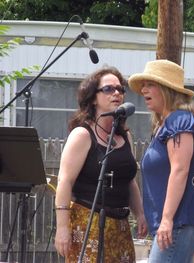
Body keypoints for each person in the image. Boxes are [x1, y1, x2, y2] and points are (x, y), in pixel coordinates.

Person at [54, 66, 147, 262]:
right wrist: (62, 228)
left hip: (120, 224)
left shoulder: (125, 136)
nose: (117, 93)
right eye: (108, 89)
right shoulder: (82, 135)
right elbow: (64, 182)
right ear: (93, 98)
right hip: (88, 222)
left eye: (120, 89)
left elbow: (130, 181)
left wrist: (140, 214)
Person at [128, 59, 194, 263]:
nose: (143, 90)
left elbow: (180, 170)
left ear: (167, 89)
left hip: (181, 222)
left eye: (150, 85)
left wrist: (166, 219)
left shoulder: (179, 120)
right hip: (175, 223)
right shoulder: (166, 123)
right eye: (143, 85)